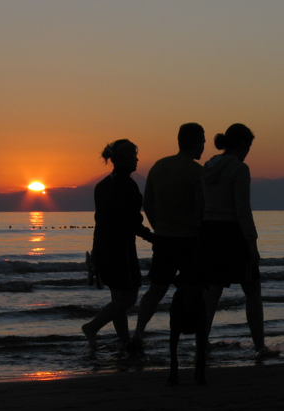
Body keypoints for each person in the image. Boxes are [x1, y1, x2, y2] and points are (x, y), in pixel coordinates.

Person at [198, 123, 278, 359]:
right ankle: (259, 346)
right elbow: (243, 209)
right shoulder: (239, 168)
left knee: (211, 292)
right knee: (252, 289)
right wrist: (252, 243)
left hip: (209, 230)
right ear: (243, 144)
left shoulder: (208, 166)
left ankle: (202, 343)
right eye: (249, 146)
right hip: (231, 231)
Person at [130, 123, 206, 355]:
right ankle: (201, 338)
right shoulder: (196, 171)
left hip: (163, 238)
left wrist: (157, 225)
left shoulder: (159, 166)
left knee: (156, 290)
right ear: (195, 142)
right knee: (196, 290)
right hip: (189, 240)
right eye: (202, 140)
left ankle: (138, 333)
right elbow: (201, 209)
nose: (204, 145)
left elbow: (148, 202)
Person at [82, 139, 154, 350]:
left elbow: (101, 220)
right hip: (120, 248)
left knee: (118, 298)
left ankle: (125, 342)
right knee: (129, 298)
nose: (137, 160)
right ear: (123, 159)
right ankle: (92, 327)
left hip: (102, 245)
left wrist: (96, 252)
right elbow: (131, 221)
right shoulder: (127, 185)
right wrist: (151, 237)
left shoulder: (102, 185)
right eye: (133, 156)